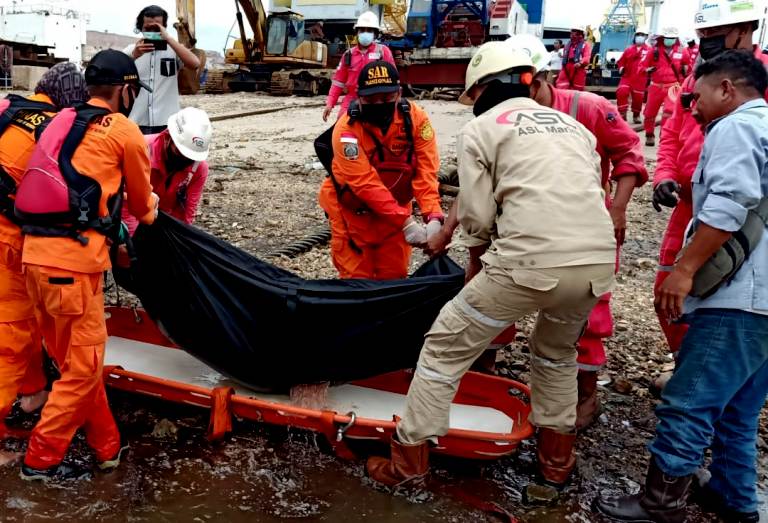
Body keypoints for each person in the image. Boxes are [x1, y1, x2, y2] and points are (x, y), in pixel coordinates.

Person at [367, 42, 616, 490]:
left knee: (444, 347)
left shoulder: (482, 129)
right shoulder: (572, 126)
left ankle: (407, 467)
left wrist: (477, 258)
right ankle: (555, 465)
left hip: (529, 263)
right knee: (557, 354)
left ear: (480, 89)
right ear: (528, 79)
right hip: (597, 264)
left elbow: (478, 219)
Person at [428, 34, 648, 429]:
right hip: (547, 239)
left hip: (571, 230)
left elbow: (629, 155)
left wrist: (617, 209)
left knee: (454, 337)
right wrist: (446, 232)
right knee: (548, 343)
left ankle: (587, 396)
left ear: (540, 78)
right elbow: (477, 188)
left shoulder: (587, 109)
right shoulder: (543, 123)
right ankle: (538, 438)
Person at [595, 50, 768, 523]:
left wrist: (685, 269)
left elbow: (729, 204)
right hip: (764, 300)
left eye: (700, 95)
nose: (693, 106)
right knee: (738, 408)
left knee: (689, 400)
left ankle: (660, 503)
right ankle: (734, 499)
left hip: (741, 298)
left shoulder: (736, 126)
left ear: (727, 88)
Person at [15, 49, 158, 481]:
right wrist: (148, 211)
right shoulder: (125, 131)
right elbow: (142, 205)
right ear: (125, 89)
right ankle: (38, 464)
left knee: (78, 365)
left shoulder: (59, 119)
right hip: (73, 269)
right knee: (82, 372)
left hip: (34, 261)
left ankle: (107, 448)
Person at [650, 0, 768, 395]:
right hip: (690, 203)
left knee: (734, 295)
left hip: (749, 210)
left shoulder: (758, 83)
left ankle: (718, 377)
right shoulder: (696, 82)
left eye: (713, 35)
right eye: (701, 36)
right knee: (669, 289)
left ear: (744, 29)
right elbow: (671, 131)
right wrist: (664, 174)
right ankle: (691, 364)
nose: (706, 44)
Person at [0, 63, 89, 465]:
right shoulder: (57, 129)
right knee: (11, 339)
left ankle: (32, 395)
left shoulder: (8, 108)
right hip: (7, 241)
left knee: (29, 321)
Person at [317, 61, 442, 280]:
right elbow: (364, 183)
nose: (378, 104)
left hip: (396, 207)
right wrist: (407, 223)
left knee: (394, 275)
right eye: (370, 100)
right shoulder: (346, 129)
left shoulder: (416, 120)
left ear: (399, 93)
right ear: (358, 96)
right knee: (356, 277)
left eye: (385, 99)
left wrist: (433, 215)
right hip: (351, 210)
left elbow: (426, 171)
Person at [122, 106, 211, 232]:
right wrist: (130, 239)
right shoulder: (142, 150)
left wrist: (181, 237)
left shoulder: (198, 168)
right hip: (134, 214)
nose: (185, 159)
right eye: (181, 152)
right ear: (168, 137)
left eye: (190, 156)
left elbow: (187, 211)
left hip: (164, 219)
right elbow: (126, 199)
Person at [124, 5, 201, 134]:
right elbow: (113, 74)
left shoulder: (174, 50)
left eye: (157, 28)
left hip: (167, 122)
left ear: (164, 27)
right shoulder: (130, 51)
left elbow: (195, 63)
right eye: (148, 28)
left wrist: (169, 39)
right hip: (137, 121)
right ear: (141, 28)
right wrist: (134, 55)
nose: (153, 32)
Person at [322, 12, 396, 122]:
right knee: (342, 127)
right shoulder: (348, 55)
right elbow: (338, 82)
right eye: (362, 30)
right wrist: (330, 103)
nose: (365, 33)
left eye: (369, 30)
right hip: (352, 99)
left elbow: (394, 80)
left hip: (375, 101)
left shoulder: (383, 52)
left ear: (375, 34)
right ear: (357, 33)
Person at [640, 27, 690, 146]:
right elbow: (642, 66)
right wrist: (647, 70)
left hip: (673, 87)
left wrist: (686, 69)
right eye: (667, 38)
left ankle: (664, 137)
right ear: (662, 38)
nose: (670, 40)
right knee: (649, 113)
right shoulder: (654, 51)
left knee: (670, 112)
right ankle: (649, 135)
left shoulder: (682, 51)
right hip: (656, 86)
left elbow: (688, 66)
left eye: (672, 38)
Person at [617, 30, 651, 123]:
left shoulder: (649, 51)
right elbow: (621, 62)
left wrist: (650, 70)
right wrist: (621, 68)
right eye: (638, 35)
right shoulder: (629, 49)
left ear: (646, 37)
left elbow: (653, 63)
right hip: (627, 77)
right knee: (621, 91)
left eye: (642, 35)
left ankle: (636, 115)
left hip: (640, 78)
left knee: (638, 98)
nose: (639, 36)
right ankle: (622, 114)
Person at [556, 26, 592, 91]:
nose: (573, 35)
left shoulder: (585, 45)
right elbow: (565, 56)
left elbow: (587, 57)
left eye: (575, 33)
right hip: (566, 69)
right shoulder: (567, 45)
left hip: (578, 69)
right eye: (572, 33)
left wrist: (581, 63)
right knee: (561, 87)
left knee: (577, 91)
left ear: (581, 34)